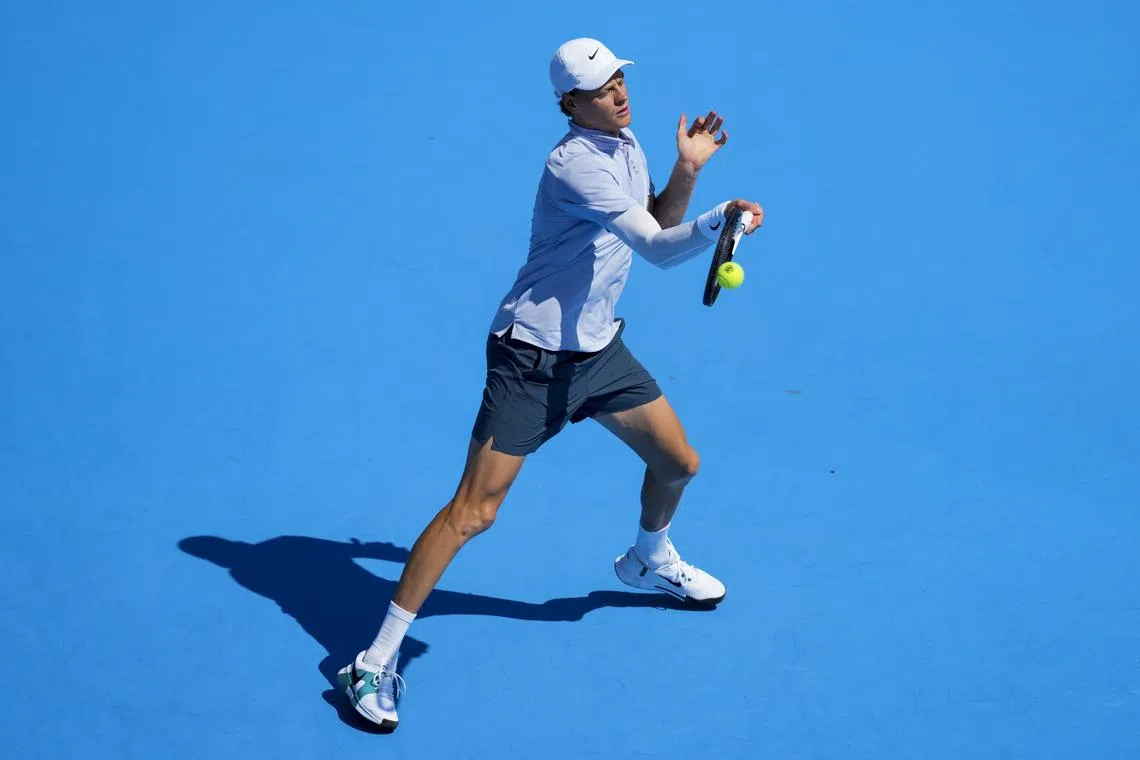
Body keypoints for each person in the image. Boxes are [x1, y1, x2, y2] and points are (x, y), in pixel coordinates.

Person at [339, 37, 764, 731]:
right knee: (473, 513)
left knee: (677, 462)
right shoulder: (573, 165)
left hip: (597, 352)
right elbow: (661, 253)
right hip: (531, 361)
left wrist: (686, 173)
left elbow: (652, 222)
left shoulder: (624, 146)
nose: (619, 94)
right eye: (602, 89)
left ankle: (648, 559)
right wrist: (719, 221)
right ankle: (372, 659)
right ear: (570, 104)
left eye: (620, 79)